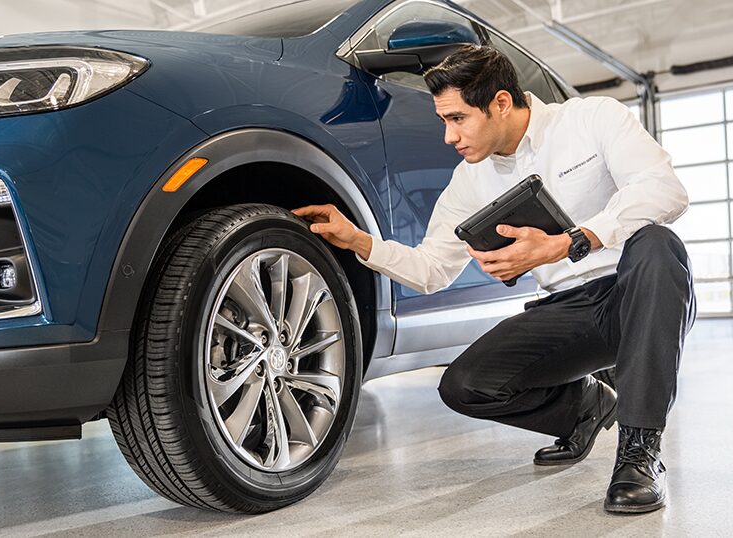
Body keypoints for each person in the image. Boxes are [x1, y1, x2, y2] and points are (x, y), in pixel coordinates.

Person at [292, 44, 696, 514]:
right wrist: (359, 240)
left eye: (458, 118)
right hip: (568, 308)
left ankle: (640, 454)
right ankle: (586, 406)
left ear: (501, 103)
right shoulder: (470, 181)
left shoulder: (592, 119)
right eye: (445, 120)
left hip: (642, 288)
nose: (449, 136)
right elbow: (431, 270)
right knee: (464, 385)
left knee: (657, 245)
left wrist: (572, 241)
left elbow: (665, 190)